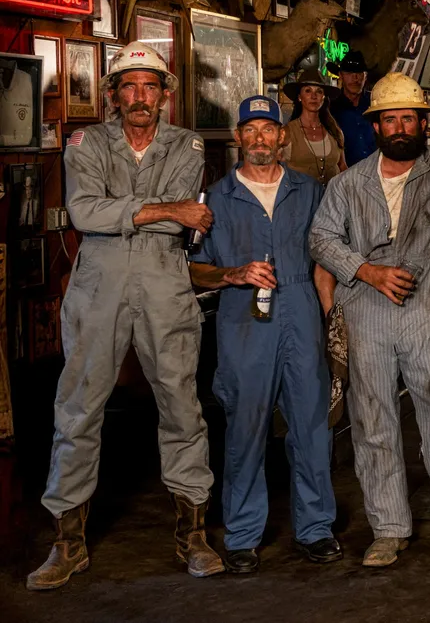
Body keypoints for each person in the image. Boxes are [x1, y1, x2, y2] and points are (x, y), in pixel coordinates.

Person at [29, 42, 223, 590]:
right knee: (77, 410)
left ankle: (193, 534)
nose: (140, 96)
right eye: (129, 86)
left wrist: (137, 214)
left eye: (150, 86)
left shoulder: (186, 144)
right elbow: (85, 212)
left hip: (166, 283)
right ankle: (67, 542)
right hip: (98, 285)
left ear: (165, 94)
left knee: (182, 406)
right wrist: (165, 210)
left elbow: (186, 222)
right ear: (113, 94)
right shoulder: (85, 143)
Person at [309, 72, 430, 572]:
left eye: (408, 118)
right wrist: (367, 271)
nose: (399, 126)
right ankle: (389, 530)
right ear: (375, 126)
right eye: (388, 118)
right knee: (373, 423)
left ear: (424, 121)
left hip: (428, 314)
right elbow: (321, 239)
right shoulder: (348, 184)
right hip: (366, 311)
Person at [188, 95, 340, 574]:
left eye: (267, 129)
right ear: (238, 138)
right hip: (243, 323)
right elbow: (194, 270)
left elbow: (328, 255)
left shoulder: (309, 190)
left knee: (312, 425)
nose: (259, 138)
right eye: (249, 130)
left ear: (282, 137)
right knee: (246, 427)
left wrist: (332, 312)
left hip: (302, 313)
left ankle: (315, 528)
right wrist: (232, 274)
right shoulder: (215, 199)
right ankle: (242, 535)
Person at [282, 69, 346, 185]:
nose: (314, 96)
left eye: (319, 91)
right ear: (299, 97)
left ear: (324, 97)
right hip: (299, 200)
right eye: (308, 91)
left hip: (332, 200)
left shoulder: (335, 132)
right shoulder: (287, 132)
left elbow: (343, 167)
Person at [327, 50, 377, 166]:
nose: (355, 78)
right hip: (345, 175)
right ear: (340, 75)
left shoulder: (376, 102)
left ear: (365, 76)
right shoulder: (330, 107)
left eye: (359, 73)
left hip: (377, 172)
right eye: (349, 73)